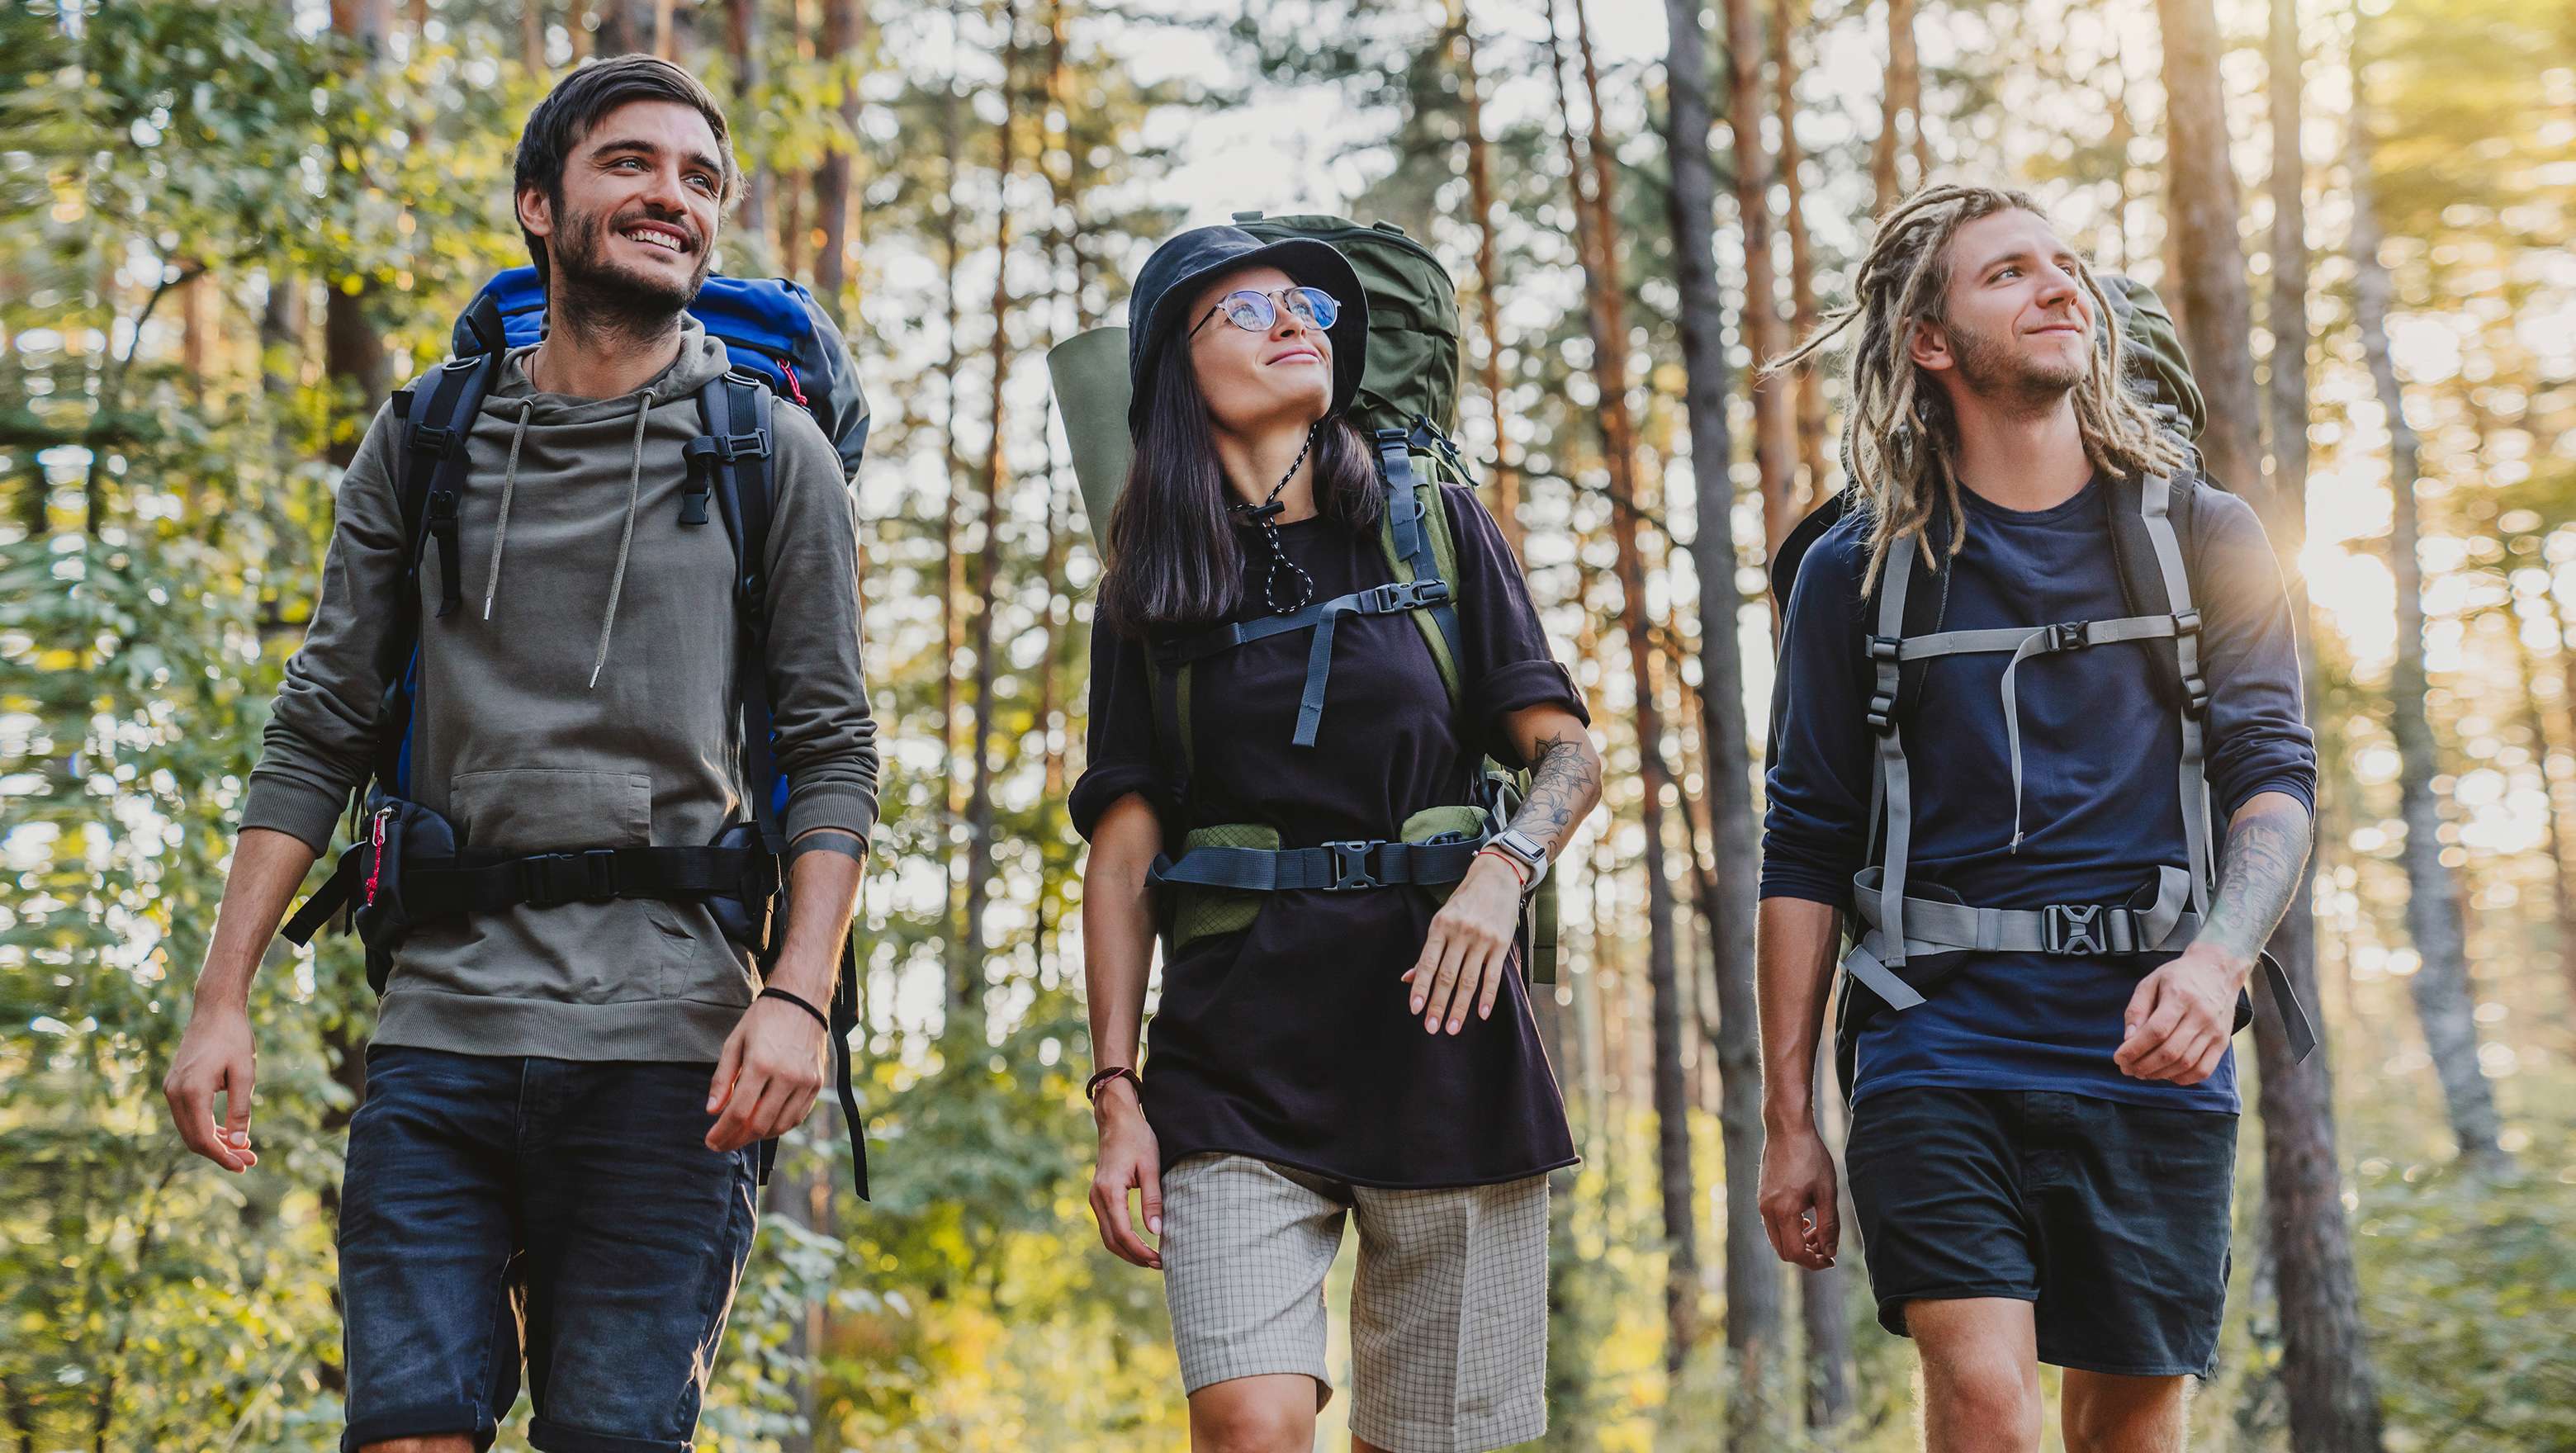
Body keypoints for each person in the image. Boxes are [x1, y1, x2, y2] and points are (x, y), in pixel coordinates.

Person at [159, 56, 879, 1453]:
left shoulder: (767, 451)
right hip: (441, 1032)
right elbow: (321, 722)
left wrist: (800, 994)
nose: (672, 197)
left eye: (699, 179)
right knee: (409, 1431)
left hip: (676, 1046)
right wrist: (221, 997)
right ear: (538, 206)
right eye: (631, 164)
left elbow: (835, 748)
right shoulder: (428, 434)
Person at [1756, 182, 2315, 1453]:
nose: (2060, 284)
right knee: (1990, 1409)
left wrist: (2218, 956)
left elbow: (2274, 774)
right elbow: (1804, 843)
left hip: (2149, 1043)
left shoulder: (2208, 536)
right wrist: (1791, 1125)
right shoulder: (1854, 573)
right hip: (1933, 1040)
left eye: (2066, 264)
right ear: (1930, 342)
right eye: (2008, 271)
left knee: (2128, 1430)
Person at [1071, 224, 1601, 1453]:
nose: (1297, 320)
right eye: (1246, 312)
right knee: (1251, 1427)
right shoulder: (1145, 586)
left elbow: (1568, 753)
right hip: (1232, 1058)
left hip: (1446, 1040)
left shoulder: (1431, 524)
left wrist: (1501, 870)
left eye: (1305, 301)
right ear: (1170, 370)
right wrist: (1116, 1094)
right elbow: (1124, 848)